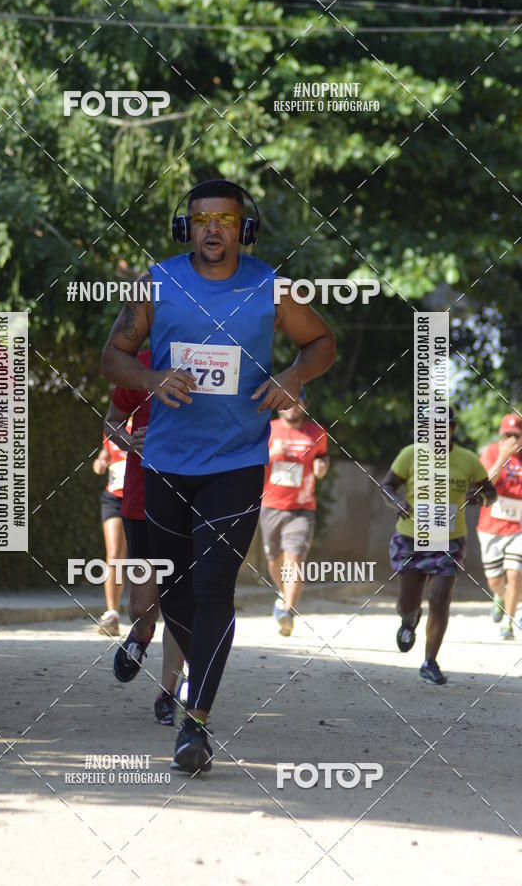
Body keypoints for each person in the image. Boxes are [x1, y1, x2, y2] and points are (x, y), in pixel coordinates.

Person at [101, 178, 336, 773]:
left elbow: (323, 342)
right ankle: (192, 684)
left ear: (243, 228)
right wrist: (152, 381)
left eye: (226, 220)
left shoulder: (270, 287)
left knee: (213, 590)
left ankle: (195, 723)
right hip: (165, 465)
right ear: (187, 227)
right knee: (175, 591)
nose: (212, 229)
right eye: (202, 219)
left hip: (236, 462)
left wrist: (293, 377)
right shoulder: (157, 283)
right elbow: (113, 357)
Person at [381, 408, 496, 685]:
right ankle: (409, 620)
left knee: (440, 597)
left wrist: (479, 497)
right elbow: (387, 486)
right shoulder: (410, 454)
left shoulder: (467, 460)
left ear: (453, 427)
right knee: (407, 601)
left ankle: (429, 661)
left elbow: (490, 492)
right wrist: (396, 502)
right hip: (410, 539)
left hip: (449, 540)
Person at [105, 349, 185, 725]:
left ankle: (168, 692)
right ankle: (140, 633)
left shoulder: (214, 359)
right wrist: (127, 441)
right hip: (143, 501)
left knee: (180, 604)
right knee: (142, 605)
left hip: (194, 500)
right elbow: (111, 423)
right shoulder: (139, 364)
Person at [260, 387, 329, 635]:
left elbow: (323, 457)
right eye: (286, 403)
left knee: (295, 559)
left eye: (295, 402)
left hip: (302, 507)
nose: (291, 407)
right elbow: (252, 461)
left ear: (304, 405)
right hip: (271, 505)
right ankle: (282, 593)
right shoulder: (268, 429)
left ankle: (288, 611)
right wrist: (271, 454)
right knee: (274, 559)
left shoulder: (317, 433)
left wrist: (322, 466)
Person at [476, 413, 522, 639]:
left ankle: (509, 622)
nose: (512, 439)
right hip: (490, 527)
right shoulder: (492, 452)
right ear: (501, 435)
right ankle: (500, 596)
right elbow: (484, 484)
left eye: (517, 435)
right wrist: (503, 456)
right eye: (508, 435)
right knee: (495, 581)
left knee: (515, 574)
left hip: (518, 529)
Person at [92, 431, 128, 635]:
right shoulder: (114, 424)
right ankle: (112, 614)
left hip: (142, 497)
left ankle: (150, 610)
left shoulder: (151, 419)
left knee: (146, 556)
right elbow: (106, 453)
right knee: (114, 554)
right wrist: (100, 462)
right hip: (114, 497)